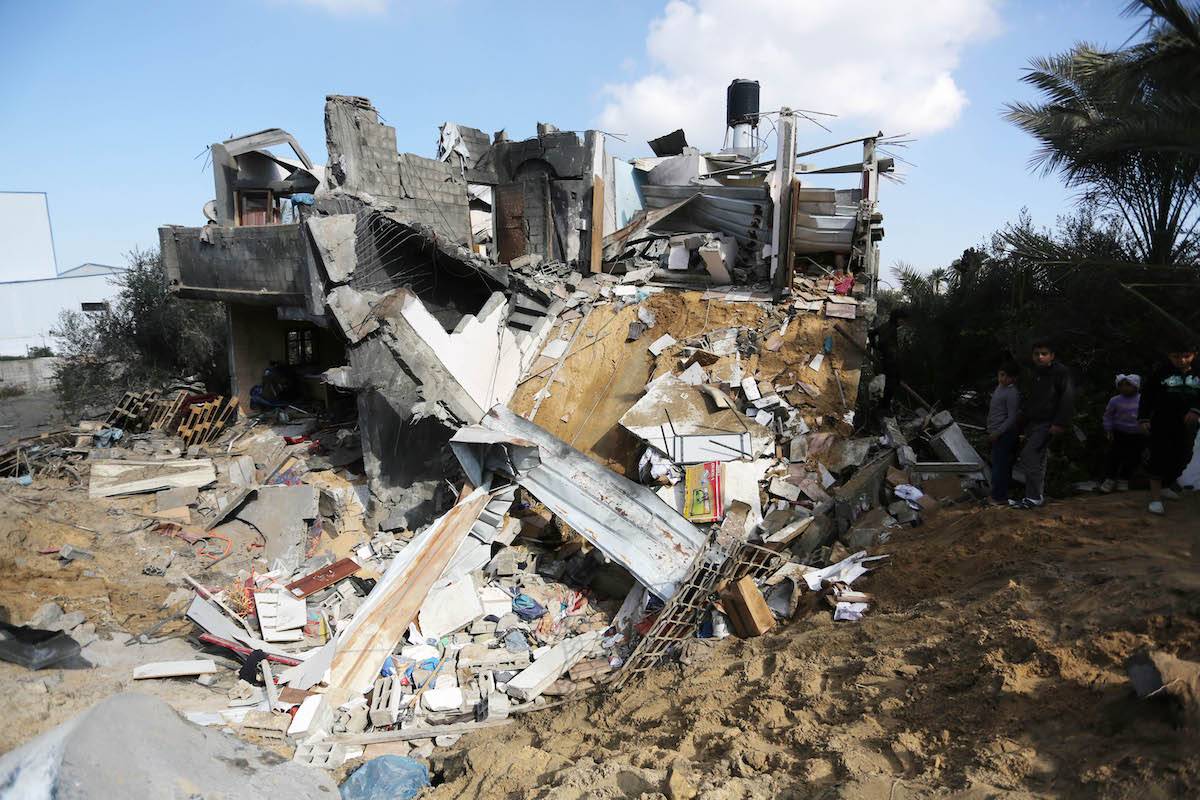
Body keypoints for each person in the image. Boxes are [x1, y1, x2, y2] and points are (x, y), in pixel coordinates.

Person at [1011, 337, 1074, 509]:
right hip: (1033, 422)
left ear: (1052, 355)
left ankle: (1033, 496)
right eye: (1036, 354)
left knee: (1029, 455)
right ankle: (1034, 496)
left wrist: (1060, 423)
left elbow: (1067, 398)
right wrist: (1022, 422)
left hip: (1048, 422)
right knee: (1038, 459)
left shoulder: (1061, 372)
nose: (1040, 357)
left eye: (1044, 354)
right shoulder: (1036, 373)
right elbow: (1031, 400)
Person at [1139, 345, 1200, 515]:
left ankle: (1166, 485)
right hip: (1162, 422)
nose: (1181, 360)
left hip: (1189, 424)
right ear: (1169, 355)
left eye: (1186, 356)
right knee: (1159, 455)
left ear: (1194, 355)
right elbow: (1147, 395)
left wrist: (1196, 409)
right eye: (1176, 356)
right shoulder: (1161, 372)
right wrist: (1143, 418)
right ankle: (1155, 498)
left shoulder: (1198, 372)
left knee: (1183, 455)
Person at [1100, 374, 1145, 493]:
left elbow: (1147, 415)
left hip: (1137, 435)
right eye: (1121, 385)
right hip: (1119, 433)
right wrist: (1108, 429)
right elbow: (1108, 415)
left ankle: (1124, 480)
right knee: (1114, 457)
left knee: (1133, 458)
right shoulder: (1115, 400)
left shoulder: (1142, 400)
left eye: (1128, 385)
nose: (1125, 388)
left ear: (1136, 386)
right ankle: (1109, 479)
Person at [987, 360, 1022, 506]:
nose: (1002, 379)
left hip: (1005, 434)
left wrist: (998, 432)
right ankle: (1000, 495)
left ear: (1013, 378)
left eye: (1006, 377)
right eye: (1001, 375)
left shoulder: (1012, 393)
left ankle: (999, 497)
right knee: (998, 464)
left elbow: (1012, 417)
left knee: (1000, 466)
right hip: (995, 432)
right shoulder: (999, 388)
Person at [868, 308, 908, 412]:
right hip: (890, 361)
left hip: (888, 359)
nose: (903, 323)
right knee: (892, 385)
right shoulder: (891, 329)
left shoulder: (886, 325)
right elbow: (883, 342)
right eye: (902, 320)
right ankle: (884, 408)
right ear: (898, 319)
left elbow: (871, 333)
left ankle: (884, 405)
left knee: (892, 383)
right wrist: (881, 348)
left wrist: (874, 345)